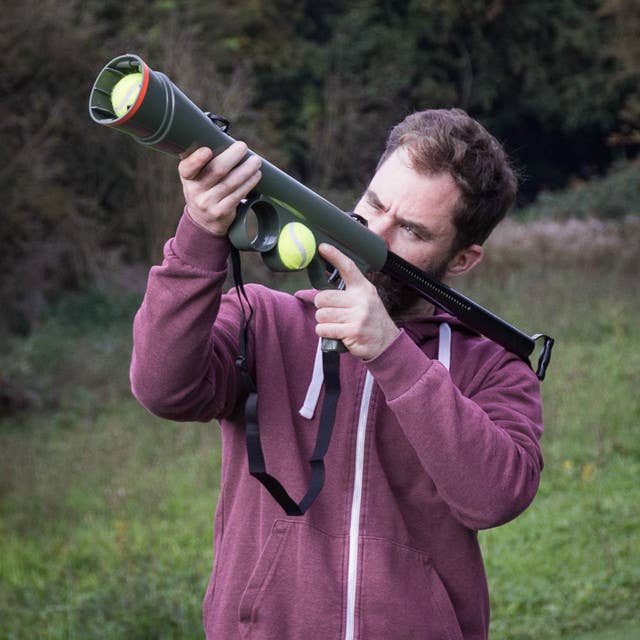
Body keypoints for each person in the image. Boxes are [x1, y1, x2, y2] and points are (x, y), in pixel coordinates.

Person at [130, 109, 544, 640]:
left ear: (461, 259)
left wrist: (391, 355)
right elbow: (163, 388)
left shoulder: (490, 363)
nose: (375, 235)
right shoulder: (266, 321)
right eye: (373, 205)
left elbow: (495, 496)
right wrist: (199, 233)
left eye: (412, 231)